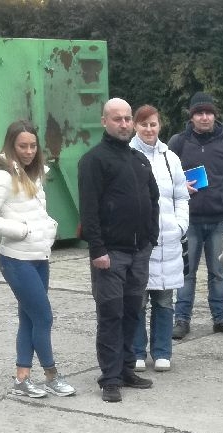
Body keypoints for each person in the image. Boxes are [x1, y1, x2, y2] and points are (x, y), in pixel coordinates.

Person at [0, 120, 75, 399]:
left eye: (32, 145)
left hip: (38, 256)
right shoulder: (1, 175)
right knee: (43, 317)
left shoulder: (35, 173)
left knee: (29, 319)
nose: (29, 151)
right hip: (17, 259)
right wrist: (21, 230)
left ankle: (22, 378)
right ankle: (52, 375)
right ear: (11, 145)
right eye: (22, 146)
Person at [78, 98, 160, 403]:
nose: (124, 124)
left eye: (127, 119)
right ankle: (109, 378)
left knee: (132, 312)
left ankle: (126, 368)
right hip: (109, 254)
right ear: (104, 122)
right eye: (117, 119)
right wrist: (97, 249)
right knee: (110, 314)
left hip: (139, 252)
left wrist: (150, 237)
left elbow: (154, 200)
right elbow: (88, 210)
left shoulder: (139, 160)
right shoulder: (93, 160)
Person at [168, 92, 223, 340]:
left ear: (214, 115)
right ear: (191, 117)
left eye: (208, 112)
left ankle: (220, 319)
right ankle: (181, 320)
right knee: (186, 273)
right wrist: (180, 191)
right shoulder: (178, 142)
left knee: (218, 273)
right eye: (199, 113)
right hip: (188, 220)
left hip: (220, 220)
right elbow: (165, 177)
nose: (204, 117)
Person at [129, 105, 189, 373]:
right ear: (135, 126)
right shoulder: (127, 155)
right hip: (139, 241)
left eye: (153, 124)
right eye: (144, 125)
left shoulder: (170, 158)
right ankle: (137, 352)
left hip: (168, 239)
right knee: (138, 299)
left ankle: (163, 351)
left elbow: (181, 196)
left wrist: (180, 226)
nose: (149, 129)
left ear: (160, 125)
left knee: (164, 299)